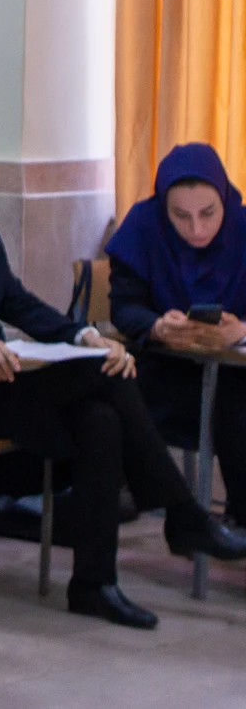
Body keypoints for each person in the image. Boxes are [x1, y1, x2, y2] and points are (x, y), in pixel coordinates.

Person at [0, 119, 246, 628]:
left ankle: (95, 584)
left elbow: (17, 302)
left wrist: (82, 335)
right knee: (108, 376)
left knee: (100, 420)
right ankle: (182, 513)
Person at [108, 143, 246, 529]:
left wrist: (239, 331)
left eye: (208, 213)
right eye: (181, 216)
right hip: (166, 371)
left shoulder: (243, 228)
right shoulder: (143, 226)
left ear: (224, 200)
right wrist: (157, 326)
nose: (196, 229)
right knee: (116, 390)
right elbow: (125, 306)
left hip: (235, 374)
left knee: (237, 403)